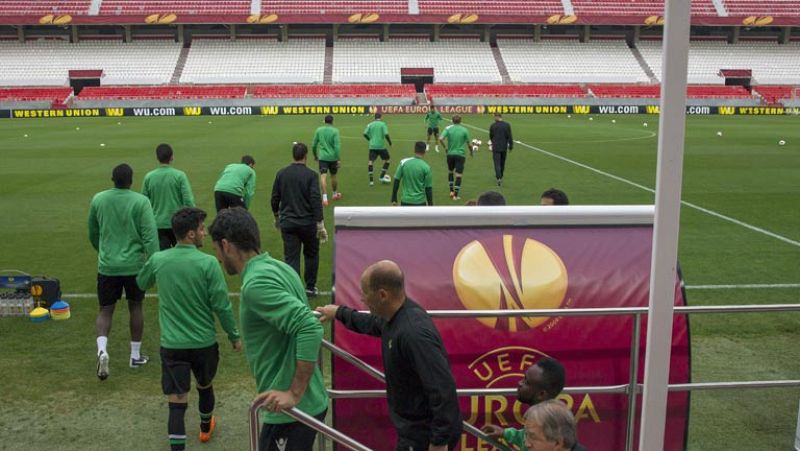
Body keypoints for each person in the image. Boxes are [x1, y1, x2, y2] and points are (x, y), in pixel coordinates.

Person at [208, 208, 328, 451]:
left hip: (291, 411)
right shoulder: (280, 267)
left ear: (226, 245)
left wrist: (294, 393)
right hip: (308, 404)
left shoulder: (256, 284)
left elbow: (308, 326)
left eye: (216, 250)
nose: (218, 258)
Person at [316, 261, 463, 450]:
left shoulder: (413, 333)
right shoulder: (394, 318)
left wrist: (439, 442)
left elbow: (442, 388)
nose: (363, 300)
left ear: (382, 295)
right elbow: (370, 323)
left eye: (365, 294)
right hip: (413, 432)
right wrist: (339, 312)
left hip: (424, 438)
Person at [136, 207, 242, 450]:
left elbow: (142, 282)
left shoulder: (160, 259)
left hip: (172, 345)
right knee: (205, 386)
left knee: (177, 399)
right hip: (203, 344)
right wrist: (234, 336)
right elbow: (221, 306)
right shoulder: (208, 263)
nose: (205, 232)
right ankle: (205, 428)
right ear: (191, 234)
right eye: (202, 228)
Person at [88, 163, 158, 380]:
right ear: (131, 181)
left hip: (108, 265)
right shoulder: (140, 201)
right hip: (134, 266)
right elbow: (150, 236)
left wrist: (103, 251)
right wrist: (154, 262)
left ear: (112, 179)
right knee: (135, 307)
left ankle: (102, 350)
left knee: (105, 310)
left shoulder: (99, 199)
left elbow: (93, 231)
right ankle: (135, 355)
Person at [271, 143, 327, 297]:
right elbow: (315, 199)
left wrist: (276, 216)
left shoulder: (282, 173)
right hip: (308, 223)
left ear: (293, 155)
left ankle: (294, 289)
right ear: (306, 155)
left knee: (291, 257)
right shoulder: (311, 175)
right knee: (311, 255)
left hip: (288, 223)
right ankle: (310, 287)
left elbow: (275, 198)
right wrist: (320, 223)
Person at [482, 358, 566, 450]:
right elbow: (524, 437)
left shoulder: (547, 425)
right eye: (523, 378)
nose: (520, 383)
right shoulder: (537, 418)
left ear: (541, 394)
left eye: (526, 382)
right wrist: (505, 433)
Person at [141, 143, 195, 250]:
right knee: (182, 255)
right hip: (178, 224)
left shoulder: (149, 177)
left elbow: (143, 202)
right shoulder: (179, 175)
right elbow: (188, 201)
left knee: (163, 257)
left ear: (157, 158)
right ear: (172, 157)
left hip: (158, 224)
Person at [311, 115, 342, 206]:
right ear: (332, 121)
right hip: (332, 158)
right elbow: (337, 147)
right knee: (333, 176)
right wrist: (338, 159)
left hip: (323, 157)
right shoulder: (335, 131)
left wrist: (315, 156)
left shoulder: (319, 130)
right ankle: (334, 194)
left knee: (323, 176)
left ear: (324, 121)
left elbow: (313, 145)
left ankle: (324, 199)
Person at [439, 115, 471, 201]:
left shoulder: (448, 128)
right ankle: (455, 196)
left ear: (452, 121)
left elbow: (441, 139)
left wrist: (445, 148)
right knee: (458, 175)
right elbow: (469, 144)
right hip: (460, 155)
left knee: (450, 172)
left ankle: (451, 191)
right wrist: (471, 152)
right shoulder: (464, 130)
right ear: (460, 121)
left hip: (450, 154)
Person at [391, 141, 433, 207]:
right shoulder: (426, 167)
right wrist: (431, 205)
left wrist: (394, 197)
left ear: (414, 149)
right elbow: (428, 189)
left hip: (405, 201)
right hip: (420, 202)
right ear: (424, 152)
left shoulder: (403, 162)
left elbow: (397, 180)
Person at [363, 112, 393, 186]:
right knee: (387, 160)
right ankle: (381, 176)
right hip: (381, 146)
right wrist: (390, 142)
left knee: (370, 162)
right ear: (381, 116)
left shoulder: (370, 124)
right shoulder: (383, 124)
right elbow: (386, 134)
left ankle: (371, 182)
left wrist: (369, 139)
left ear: (374, 117)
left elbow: (364, 134)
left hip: (372, 146)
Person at [489, 113, 513, 186]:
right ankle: (501, 176)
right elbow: (509, 136)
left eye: (495, 117)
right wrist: (511, 145)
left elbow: (491, 136)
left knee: (497, 163)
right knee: (502, 163)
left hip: (496, 147)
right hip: (503, 147)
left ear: (498, 117)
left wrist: (493, 142)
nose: (494, 118)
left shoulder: (493, 125)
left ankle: (498, 177)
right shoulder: (507, 125)